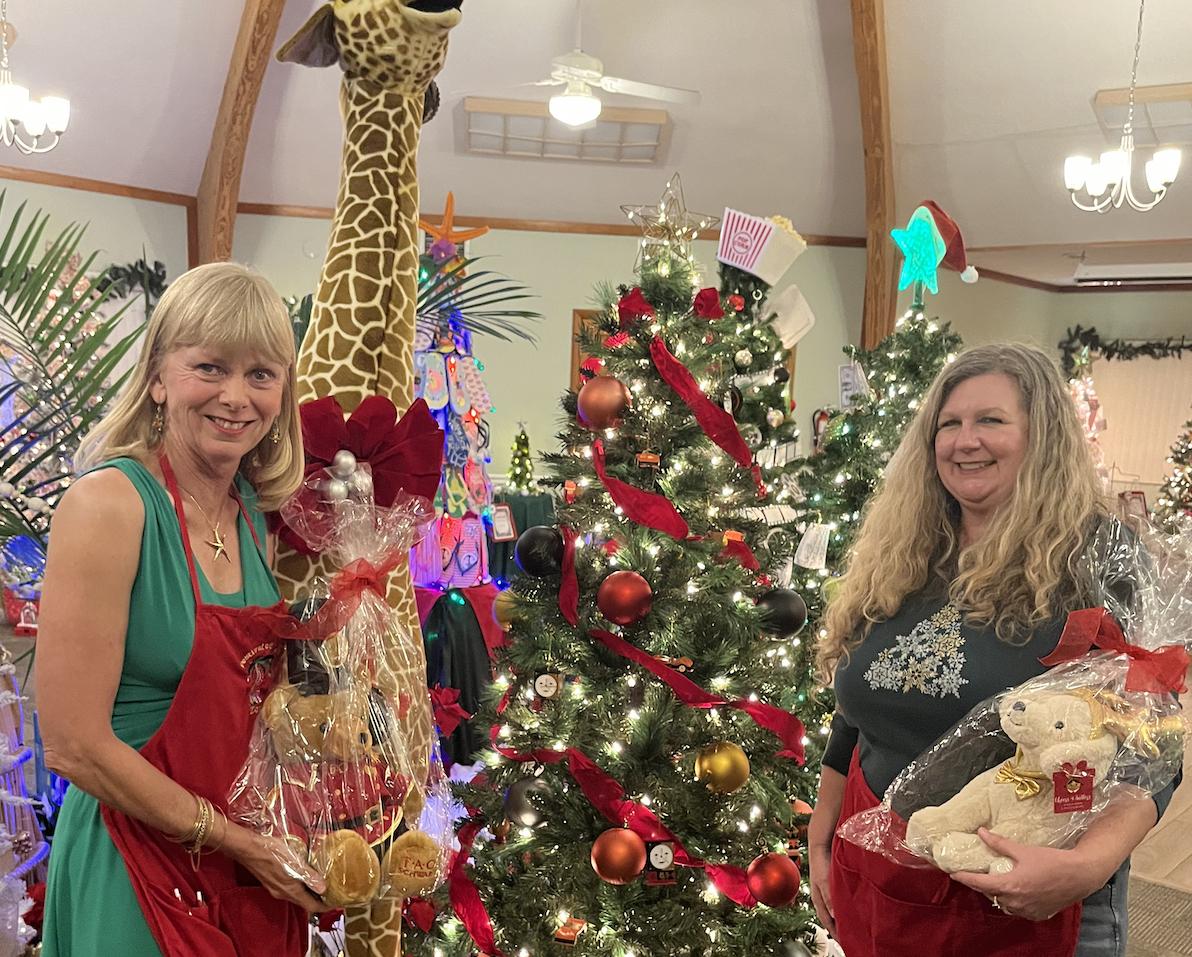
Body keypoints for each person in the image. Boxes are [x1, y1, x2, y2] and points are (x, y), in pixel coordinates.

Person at [807, 343, 1179, 957]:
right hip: (877, 867)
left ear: (1043, 437)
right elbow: (857, 704)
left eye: (991, 420)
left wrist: (1088, 867)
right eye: (948, 424)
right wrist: (824, 829)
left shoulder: (1099, 560)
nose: (964, 440)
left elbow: (1155, 740)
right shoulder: (903, 550)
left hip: (1030, 884)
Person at [37, 262, 328, 957]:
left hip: (235, 869)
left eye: (261, 373)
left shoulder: (249, 518)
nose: (236, 396)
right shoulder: (109, 504)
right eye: (210, 366)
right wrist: (239, 841)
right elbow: (74, 744)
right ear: (159, 377)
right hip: (132, 862)